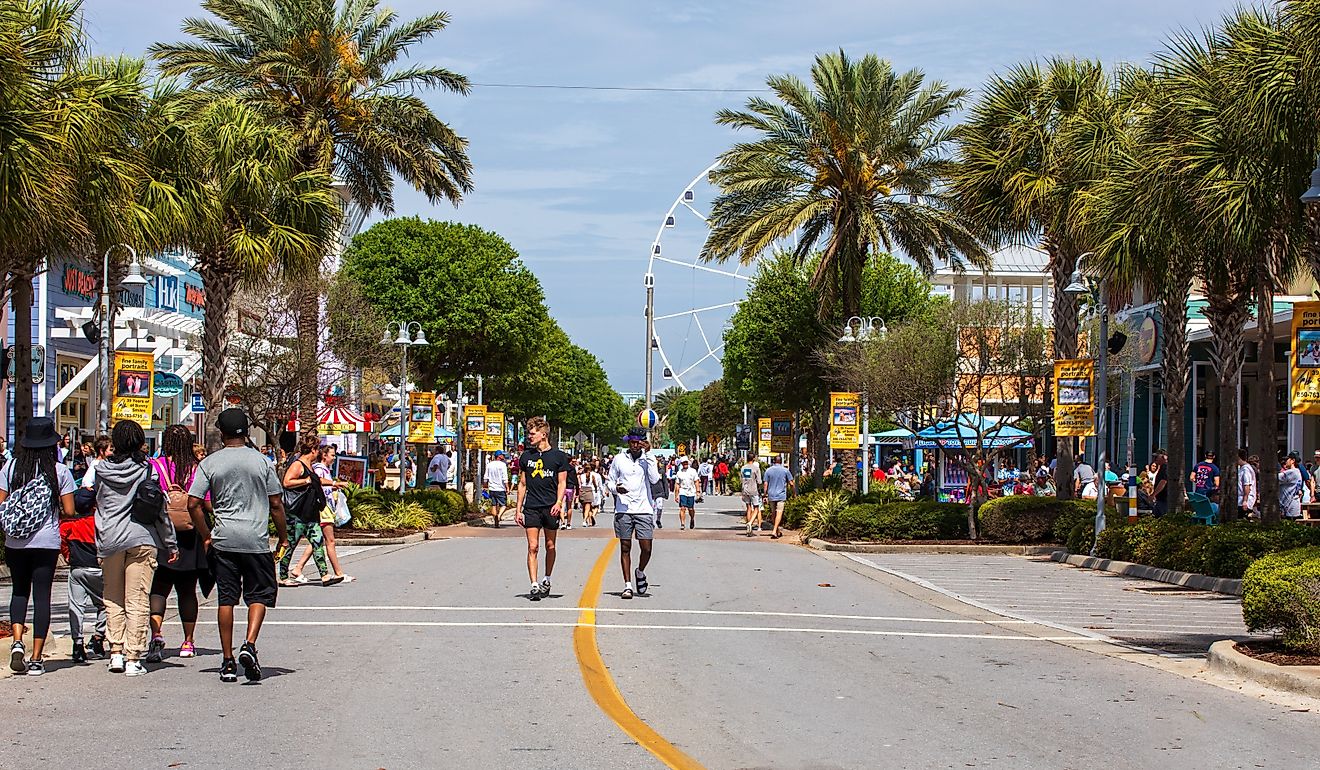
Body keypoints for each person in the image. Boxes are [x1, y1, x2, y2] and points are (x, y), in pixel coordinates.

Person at [187, 408, 288, 683]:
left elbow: (193, 503)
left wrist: (206, 534)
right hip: (255, 540)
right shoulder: (262, 462)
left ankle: (228, 660)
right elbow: (276, 503)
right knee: (259, 596)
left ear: (222, 433)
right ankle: (250, 644)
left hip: (224, 539)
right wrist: (283, 536)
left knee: (227, 598)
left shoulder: (210, 463)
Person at [92, 419, 179, 677]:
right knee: (138, 598)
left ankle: (115, 652)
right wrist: (170, 543)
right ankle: (133, 656)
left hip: (110, 538)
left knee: (112, 598)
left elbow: (98, 502)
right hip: (142, 538)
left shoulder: (101, 470)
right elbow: (159, 509)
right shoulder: (147, 470)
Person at [3, 417, 77, 676]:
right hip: (46, 542)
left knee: (19, 591)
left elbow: (1, 503)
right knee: (42, 596)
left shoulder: (10, 468)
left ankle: (16, 642)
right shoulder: (59, 472)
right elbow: (69, 510)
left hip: (15, 542)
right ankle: (36, 658)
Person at [146, 424, 213, 663]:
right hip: (190, 535)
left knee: (159, 587)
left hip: (161, 535)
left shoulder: (155, 466)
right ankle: (188, 641)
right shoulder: (198, 469)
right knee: (187, 590)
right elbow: (206, 503)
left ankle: (156, 635)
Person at [514, 417, 569, 601]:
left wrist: (559, 503)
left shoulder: (558, 456)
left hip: (550, 506)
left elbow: (562, 482)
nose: (529, 437)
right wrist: (518, 509)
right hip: (532, 507)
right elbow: (522, 484)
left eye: (532, 433)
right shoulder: (526, 457)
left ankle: (547, 578)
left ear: (543, 434)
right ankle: (534, 585)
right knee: (533, 546)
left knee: (550, 545)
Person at [278, 436, 343, 588]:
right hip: (297, 513)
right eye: (317, 449)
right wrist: (304, 481)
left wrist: (334, 483)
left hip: (310, 513)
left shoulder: (310, 465)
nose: (318, 453)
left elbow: (317, 480)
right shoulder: (298, 464)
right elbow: (287, 482)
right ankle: (282, 576)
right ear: (312, 450)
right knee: (290, 544)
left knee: (317, 542)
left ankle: (325, 575)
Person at [608, 428, 660, 599]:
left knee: (646, 548)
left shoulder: (647, 459)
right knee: (625, 546)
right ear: (628, 443)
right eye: (632, 442)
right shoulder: (619, 459)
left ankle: (640, 571)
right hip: (623, 509)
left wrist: (649, 454)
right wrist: (616, 489)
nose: (635, 445)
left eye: (639, 442)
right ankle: (627, 585)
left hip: (644, 508)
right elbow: (609, 481)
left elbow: (654, 479)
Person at [290, 443, 353, 584]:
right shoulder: (319, 469)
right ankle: (338, 573)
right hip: (322, 509)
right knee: (329, 541)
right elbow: (316, 484)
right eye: (332, 455)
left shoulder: (324, 469)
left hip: (326, 507)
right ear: (324, 455)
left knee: (317, 540)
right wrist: (334, 484)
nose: (334, 458)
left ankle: (298, 568)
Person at [62, 488, 106, 665]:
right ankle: (98, 637)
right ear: (94, 505)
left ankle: (77, 643)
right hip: (99, 569)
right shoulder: (100, 523)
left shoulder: (68, 525)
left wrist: (67, 554)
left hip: (77, 569)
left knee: (76, 606)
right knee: (106, 604)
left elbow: (62, 543)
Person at [763, 455, 794, 539]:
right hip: (781, 495)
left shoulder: (768, 471)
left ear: (774, 461)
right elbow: (791, 483)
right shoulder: (785, 471)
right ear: (781, 461)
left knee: (774, 513)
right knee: (779, 512)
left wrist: (765, 494)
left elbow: (765, 484)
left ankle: (777, 531)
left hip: (771, 495)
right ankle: (774, 531)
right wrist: (794, 492)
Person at [483, 450, 511, 526]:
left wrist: (485, 486)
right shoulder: (502, 465)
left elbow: (486, 477)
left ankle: (495, 518)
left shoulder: (489, 464)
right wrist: (507, 487)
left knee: (493, 505)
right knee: (504, 505)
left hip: (492, 488)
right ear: (499, 456)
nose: (503, 456)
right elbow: (505, 478)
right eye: (502, 455)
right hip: (500, 488)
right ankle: (498, 516)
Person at [675, 457, 700, 530]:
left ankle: (692, 519)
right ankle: (682, 523)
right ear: (681, 464)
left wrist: (698, 491)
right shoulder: (679, 472)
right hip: (682, 491)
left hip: (691, 492)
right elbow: (677, 484)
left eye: (686, 462)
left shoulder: (693, 471)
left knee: (690, 508)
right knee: (682, 508)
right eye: (683, 462)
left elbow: (696, 481)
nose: (685, 464)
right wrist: (676, 495)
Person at [1280, 451, 1305, 520]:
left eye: (1287, 460)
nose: (1285, 462)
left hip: (1290, 506)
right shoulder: (1297, 471)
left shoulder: (1292, 472)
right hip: (1293, 504)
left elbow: (1275, 478)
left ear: (1292, 461)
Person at [580, 460, 602, 527]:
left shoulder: (581, 476)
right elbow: (597, 484)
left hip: (582, 490)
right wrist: (597, 490)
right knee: (589, 507)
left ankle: (587, 520)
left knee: (584, 508)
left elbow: (579, 484)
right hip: (590, 491)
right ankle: (586, 520)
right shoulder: (594, 476)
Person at [1238, 448, 1258, 518]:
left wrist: (1245, 501)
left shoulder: (1246, 469)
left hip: (1243, 501)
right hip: (1240, 500)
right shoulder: (1241, 468)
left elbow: (1247, 485)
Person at [649, 462, 669, 529]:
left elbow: (665, 482)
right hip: (651, 492)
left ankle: (658, 520)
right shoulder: (648, 471)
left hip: (660, 492)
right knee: (652, 508)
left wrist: (666, 493)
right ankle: (652, 522)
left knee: (659, 507)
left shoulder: (661, 472)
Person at [1150, 449, 1169, 516]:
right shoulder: (1161, 467)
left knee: (1162, 517)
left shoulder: (1166, 467)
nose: (1155, 459)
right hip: (1160, 499)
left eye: (1157, 457)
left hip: (1164, 499)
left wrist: (1153, 494)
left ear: (1164, 457)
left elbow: (1163, 482)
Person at [561, 459, 580, 530]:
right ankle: (568, 523)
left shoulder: (561, 467)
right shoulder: (572, 468)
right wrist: (577, 490)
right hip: (570, 488)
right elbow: (575, 479)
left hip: (562, 488)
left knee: (562, 506)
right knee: (569, 506)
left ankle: (562, 522)